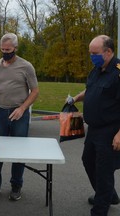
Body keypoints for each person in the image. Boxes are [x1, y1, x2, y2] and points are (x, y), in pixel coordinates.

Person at [68, 35, 120, 216]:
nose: (92, 57)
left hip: (110, 129)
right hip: (94, 129)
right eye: (90, 53)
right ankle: (108, 195)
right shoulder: (96, 69)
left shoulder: (118, 72)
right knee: (88, 160)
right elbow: (90, 89)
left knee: (104, 170)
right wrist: (75, 98)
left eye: (95, 53)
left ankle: (100, 209)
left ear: (108, 51)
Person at [0, 33, 39, 201]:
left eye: (8, 50)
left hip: (19, 114)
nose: (5, 52)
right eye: (2, 49)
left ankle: (16, 186)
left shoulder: (26, 66)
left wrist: (23, 108)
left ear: (15, 48)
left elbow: (35, 91)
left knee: (18, 152)